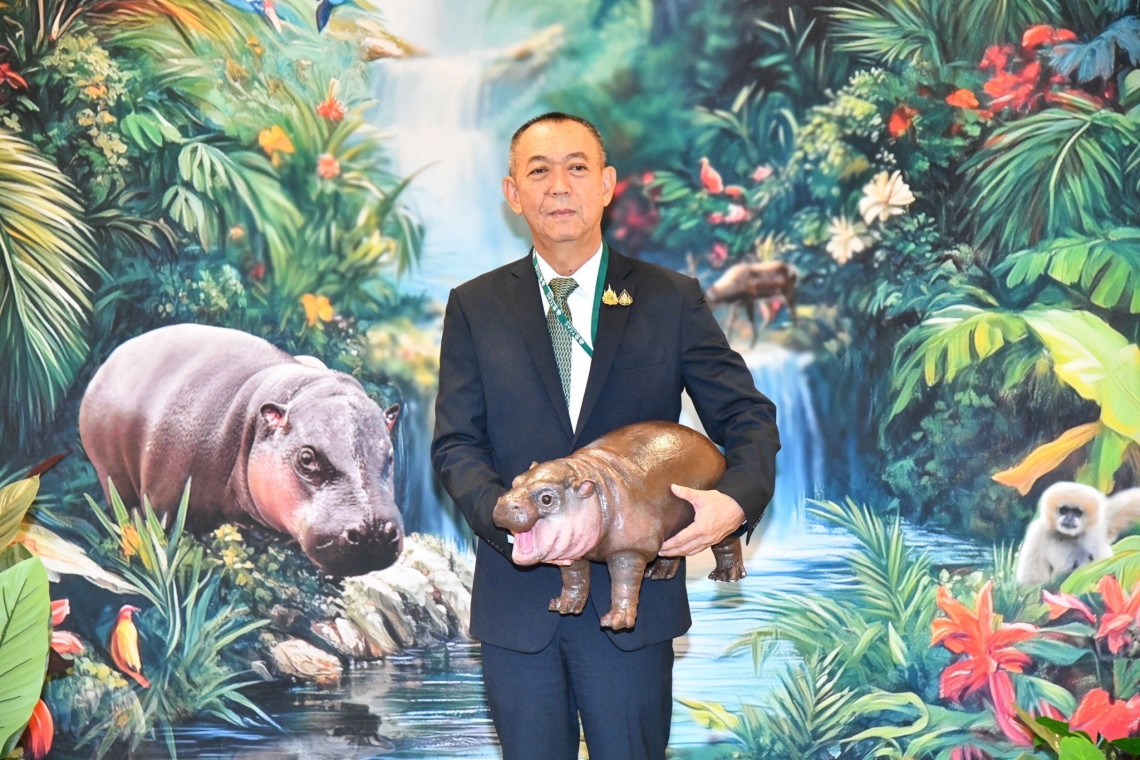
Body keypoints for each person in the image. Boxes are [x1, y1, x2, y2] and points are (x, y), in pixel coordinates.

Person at [431, 112, 780, 760]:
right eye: (539, 170)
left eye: (577, 167)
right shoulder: (475, 306)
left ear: (607, 184)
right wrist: (514, 525)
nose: (558, 185)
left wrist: (733, 502)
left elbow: (746, 417)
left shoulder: (670, 299)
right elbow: (456, 446)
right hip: (518, 608)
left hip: (635, 607)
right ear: (513, 192)